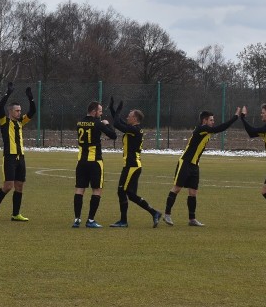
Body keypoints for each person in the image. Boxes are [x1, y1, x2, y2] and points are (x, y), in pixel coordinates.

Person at [163, 109, 238, 227]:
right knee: (177, 188)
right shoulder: (202, 129)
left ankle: (192, 219)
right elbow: (219, 129)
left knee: (193, 192)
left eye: (213, 120)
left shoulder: (206, 131)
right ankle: (167, 214)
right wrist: (235, 117)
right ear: (205, 120)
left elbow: (216, 129)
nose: (213, 122)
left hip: (194, 165)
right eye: (211, 120)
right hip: (185, 162)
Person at [107, 97, 162, 228]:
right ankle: (155, 213)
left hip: (132, 166)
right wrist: (112, 109)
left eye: (129, 116)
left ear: (135, 119)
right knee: (131, 195)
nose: (127, 117)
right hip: (133, 165)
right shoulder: (133, 128)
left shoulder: (134, 130)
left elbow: (117, 124)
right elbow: (118, 121)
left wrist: (118, 110)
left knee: (121, 191)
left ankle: (123, 221)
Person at [0, 82, 36, 221]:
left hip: (20, 157)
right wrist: (8, 93)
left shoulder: (20, 122)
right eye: (17, 110)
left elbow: (32, 111)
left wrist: (30, 98)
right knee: (8, 185)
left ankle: (16, 214)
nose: (19, 112)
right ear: (10, 111)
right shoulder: (4, 121)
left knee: (19, 186)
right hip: (9, 157)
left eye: (20, 110)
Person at [72, 100, 117, 228]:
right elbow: (113, 136)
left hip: (81, 161)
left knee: (80, 189)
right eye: (100, 111)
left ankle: (77, 219)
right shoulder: (98, 123)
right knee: (97, 189)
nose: (101, 114)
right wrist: (107, 125)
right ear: (94, 111)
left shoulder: (79, 122)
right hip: (95, 161)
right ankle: (90, 220)